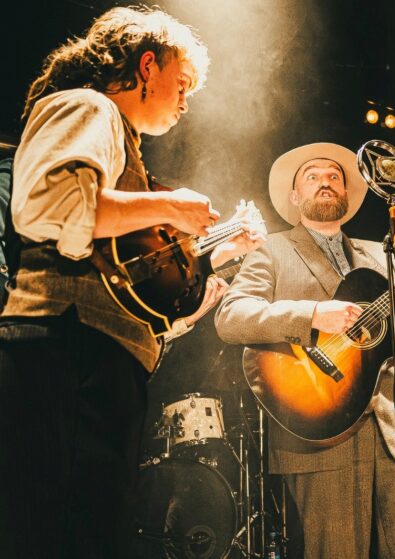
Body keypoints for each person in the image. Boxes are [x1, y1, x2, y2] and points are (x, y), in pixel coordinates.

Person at [0, 7, 263, 559]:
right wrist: (170, 204)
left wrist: (213, 256)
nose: (187, 102)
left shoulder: (120, 141)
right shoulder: (88, 106)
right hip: (66, 354)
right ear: (148, 65)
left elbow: (127, 279)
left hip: (88, 357)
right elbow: (49, 205)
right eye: (182, 83)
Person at [215, 142, 395, 558]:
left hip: (394, 430)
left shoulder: (377, 252)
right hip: (317, 426)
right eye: (312, 177)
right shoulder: (270, 250)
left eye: (334, 177)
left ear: (347, 195)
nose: (326, 183)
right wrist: (314, 313)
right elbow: (233, 316)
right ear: (295, 197)